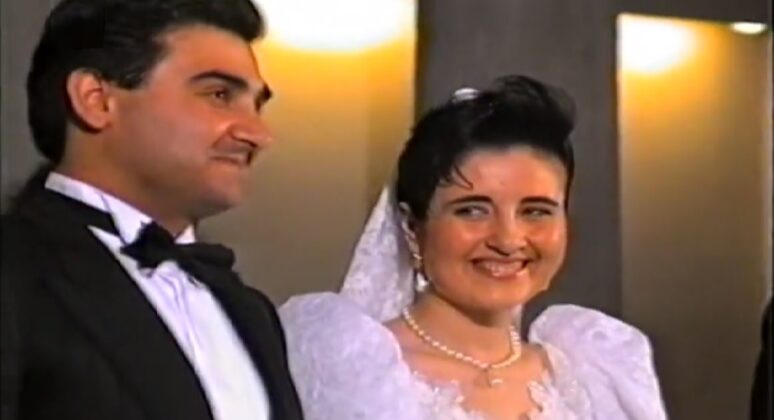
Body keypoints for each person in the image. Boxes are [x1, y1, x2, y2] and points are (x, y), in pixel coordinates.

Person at [280, 75, 667, 419]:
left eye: (535, 211)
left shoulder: (591, 376)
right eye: (472, 210)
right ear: (413, 227)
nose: (508, 240)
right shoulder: (352, 373)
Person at [0, 1, 303, 419]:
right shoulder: (15, 269)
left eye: (257, 106)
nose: (258, 134)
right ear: (96, 100)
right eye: (219, 95)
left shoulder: (250, 311)